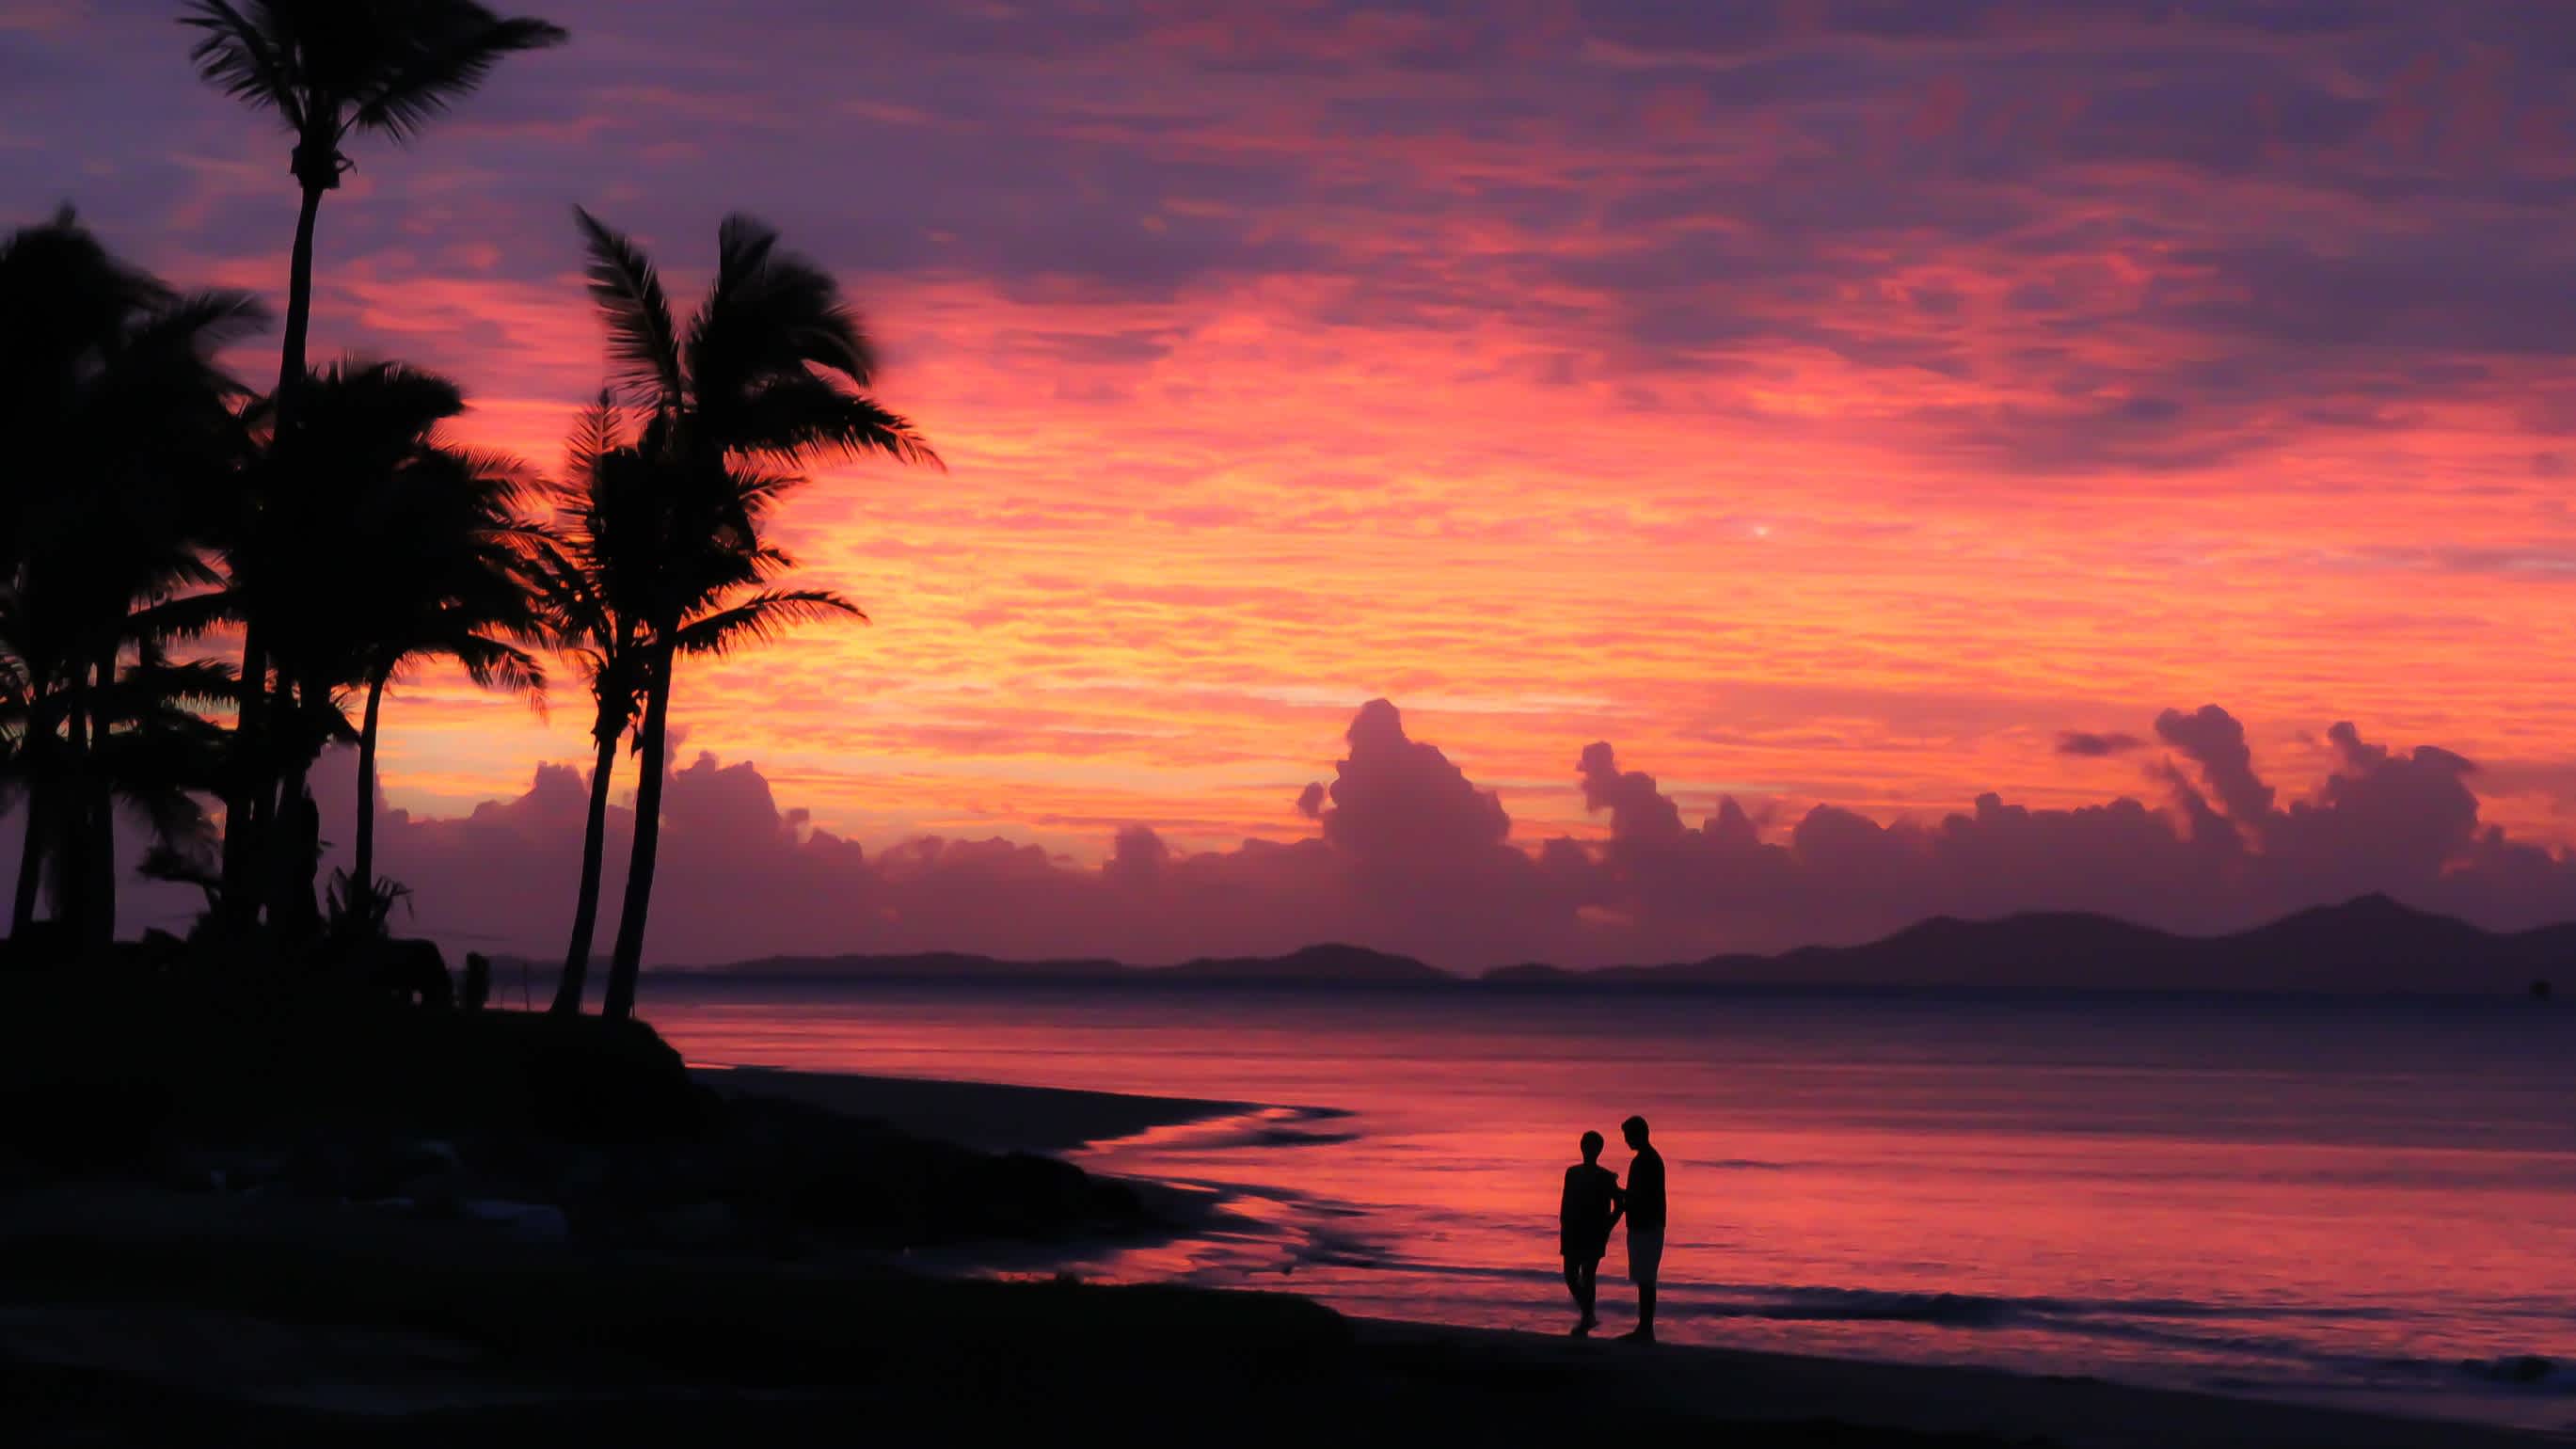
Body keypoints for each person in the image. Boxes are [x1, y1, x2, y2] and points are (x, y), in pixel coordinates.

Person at [1558, 1130, 1623, 1335]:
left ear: (1599, 1150)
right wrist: (1563, 1225)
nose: (1589, 1150)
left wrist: (1608, 1225)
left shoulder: (1605, 1177)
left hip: (1594, 1232)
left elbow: (1620, 1203)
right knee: (1570, 1275)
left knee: (1588, 1275)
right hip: (1573, 1231)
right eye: (1586, 1145)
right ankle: (1588, 1313)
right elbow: (1565, 1202)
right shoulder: (1572, 1172)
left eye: (1593, 1146)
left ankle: (1587, 1318)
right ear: (1582, 1147)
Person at [1618, 1114, 1665, 1343]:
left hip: (1646, 1226)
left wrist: (1618, 1194)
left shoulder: (1645, 1161)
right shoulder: (1649, 1159)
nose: (1626, 1141)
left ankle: (1645, 1329)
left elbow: (1640, 1196)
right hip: (1647, 1225)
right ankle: (1644, 1328)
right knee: (1645, 1278)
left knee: (1646, 1278)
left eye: (1628, 1136)